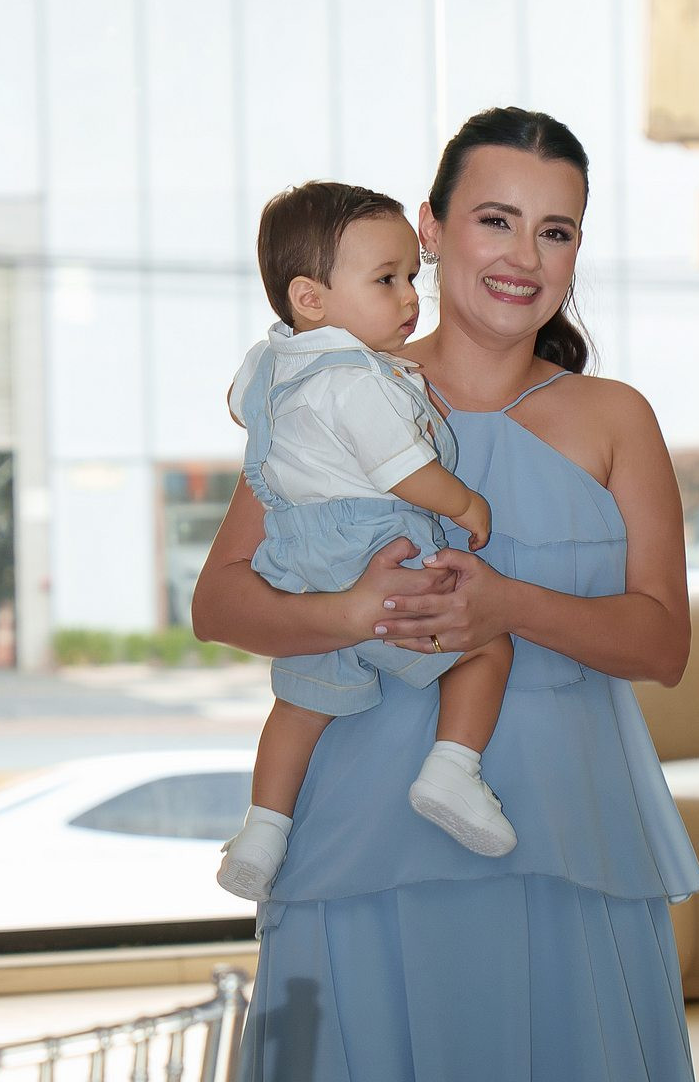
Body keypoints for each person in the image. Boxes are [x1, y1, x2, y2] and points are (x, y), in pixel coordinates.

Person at [193, 106, 699, 1081]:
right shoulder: (333, 393)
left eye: (554, 231)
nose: (523, 256)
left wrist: (507, 607)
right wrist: (347, 614)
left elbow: (661, 645)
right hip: (357, 838)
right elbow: (217, 603)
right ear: (428, 230)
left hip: (568, 835)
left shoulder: (614, 417)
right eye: (494, 220)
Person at [217, 181, 516, 903]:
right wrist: (466, 502)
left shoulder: (271, 362)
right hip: (375, 548)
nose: (410, 296)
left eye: (411, 276)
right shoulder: (357, 381)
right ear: (311, 299)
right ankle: (452, 770)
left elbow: (239, 410)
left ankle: (262, 831)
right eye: (386, 280)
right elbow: (403, 471)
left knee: (301, 705)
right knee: (484, 647)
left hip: (297, 561)